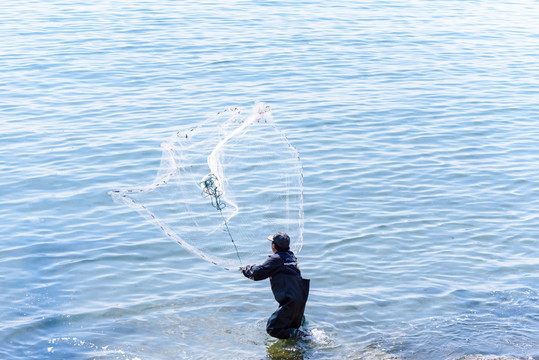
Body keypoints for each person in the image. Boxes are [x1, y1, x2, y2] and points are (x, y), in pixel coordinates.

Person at [241, 232, 310, 339]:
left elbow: (257, 274)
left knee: (273, 328)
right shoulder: (291, 257)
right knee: (290, 326)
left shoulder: (276, 259)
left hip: (291, 301)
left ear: (273, 245)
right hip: (300, 298)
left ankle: (302, 337)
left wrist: (245, 269)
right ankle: (300, 341)